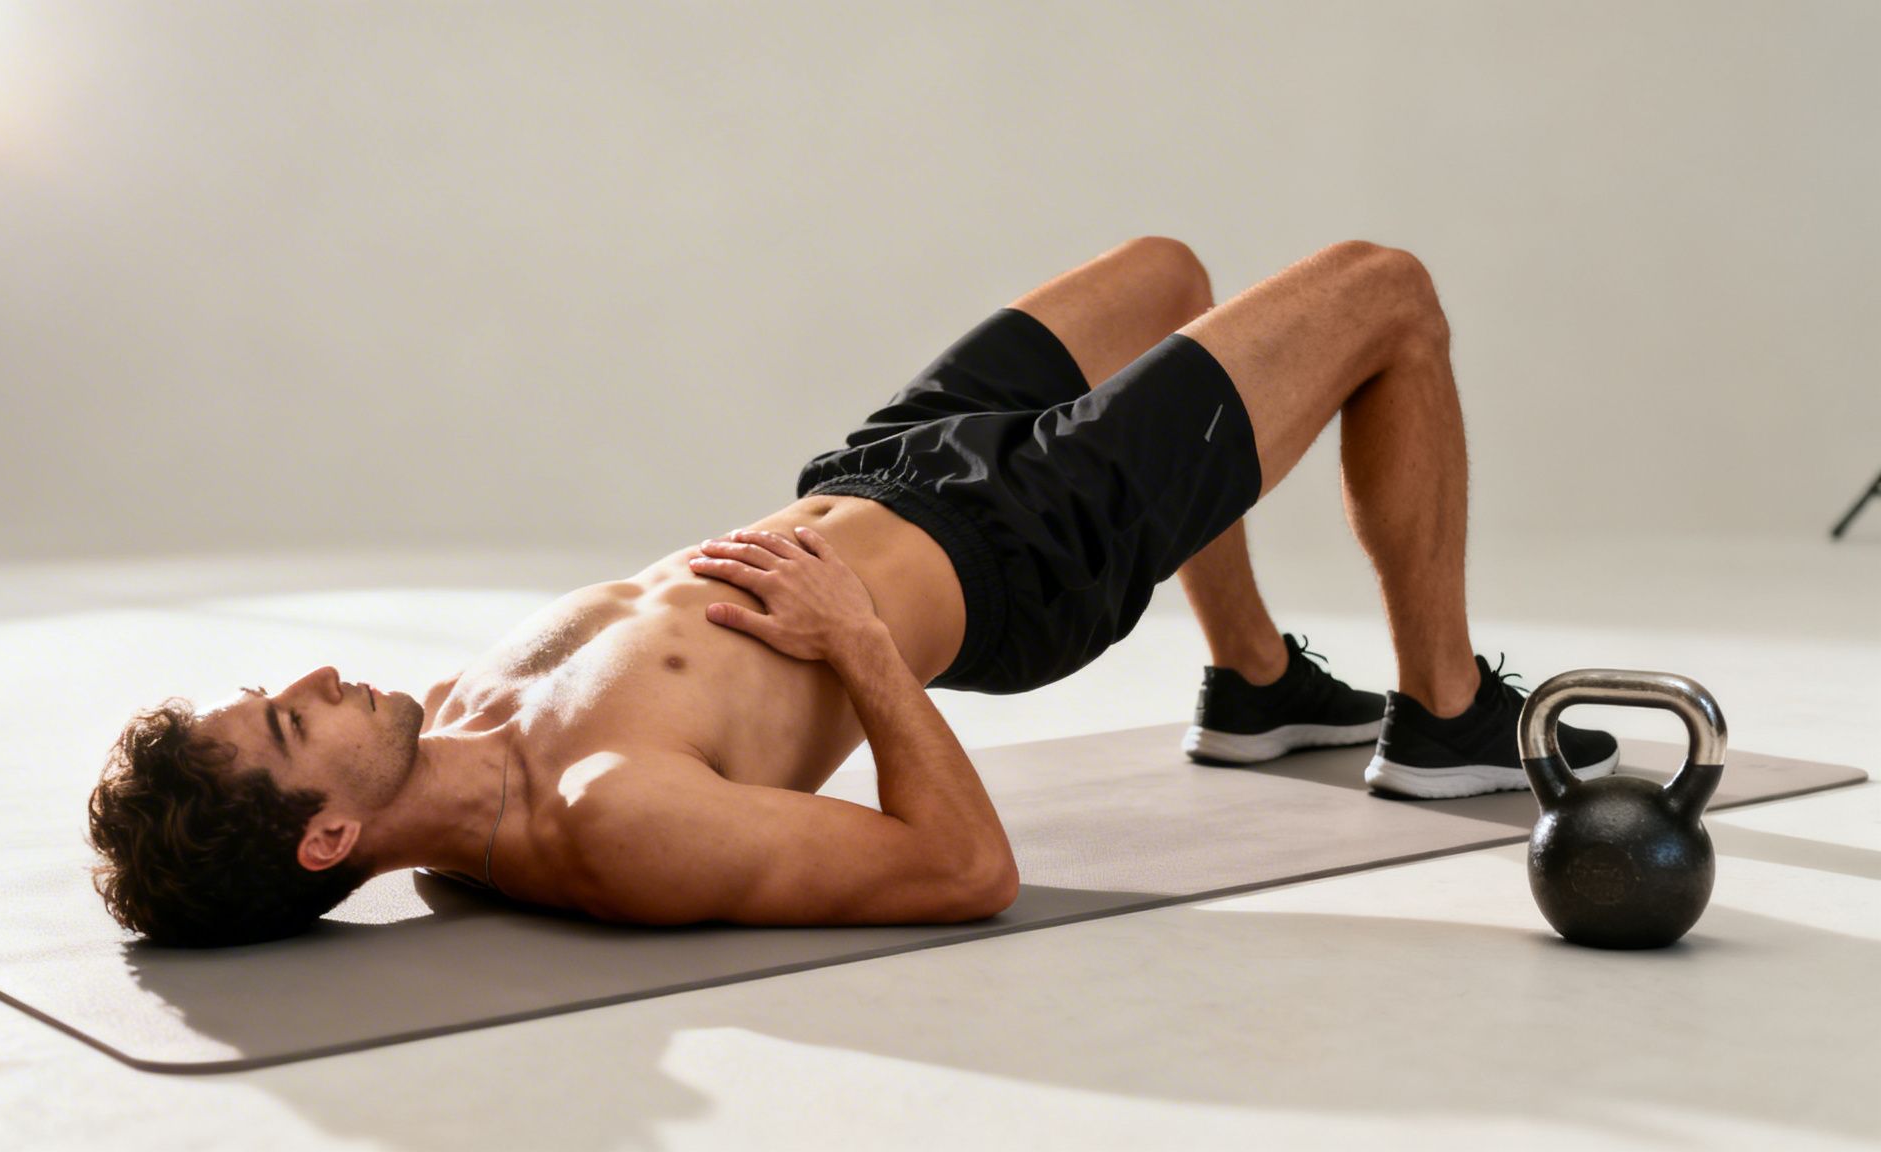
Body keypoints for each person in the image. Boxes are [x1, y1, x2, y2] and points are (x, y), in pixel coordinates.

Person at [86, 237, 1618, 948]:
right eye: (292, 719)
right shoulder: (609, 822)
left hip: (885, 467)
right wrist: (861, 653)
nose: (319, 679)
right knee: (1387, 293)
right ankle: (1445, 720)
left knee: (1165, 272)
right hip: (1023, 550)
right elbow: (965, 875)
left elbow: (439, 860)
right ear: (326, 831)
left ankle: (1258, 682)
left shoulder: (449, 780)